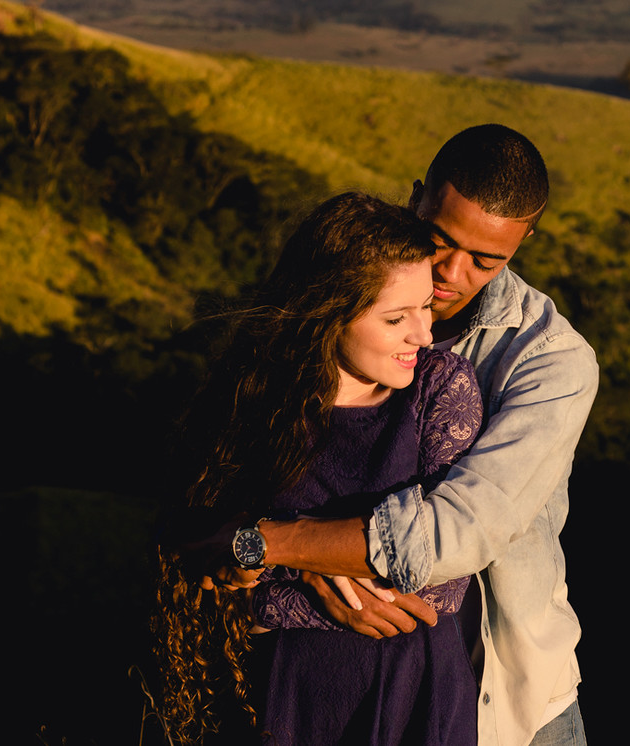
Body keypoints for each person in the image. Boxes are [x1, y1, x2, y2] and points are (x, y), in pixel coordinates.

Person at [208, 124, 599, 745]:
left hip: (515, 705)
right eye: (440, 239)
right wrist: (311, 565)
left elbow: (455, 534)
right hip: (330, 694)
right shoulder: (337, 298)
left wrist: (278, 545)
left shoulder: (551, 361)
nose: (450, 272)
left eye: (485, 259)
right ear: (417, 196)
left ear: (525, 242)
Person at [154, 192, 485, 745]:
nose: (423, 334)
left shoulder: (440, 389)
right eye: (396, 317)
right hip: (282, 699)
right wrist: (313, 571)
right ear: (330, 312)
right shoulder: (254, 397)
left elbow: (440, 586)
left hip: (417, 701)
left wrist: (281, 564)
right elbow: (196, 560)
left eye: (426, 306)